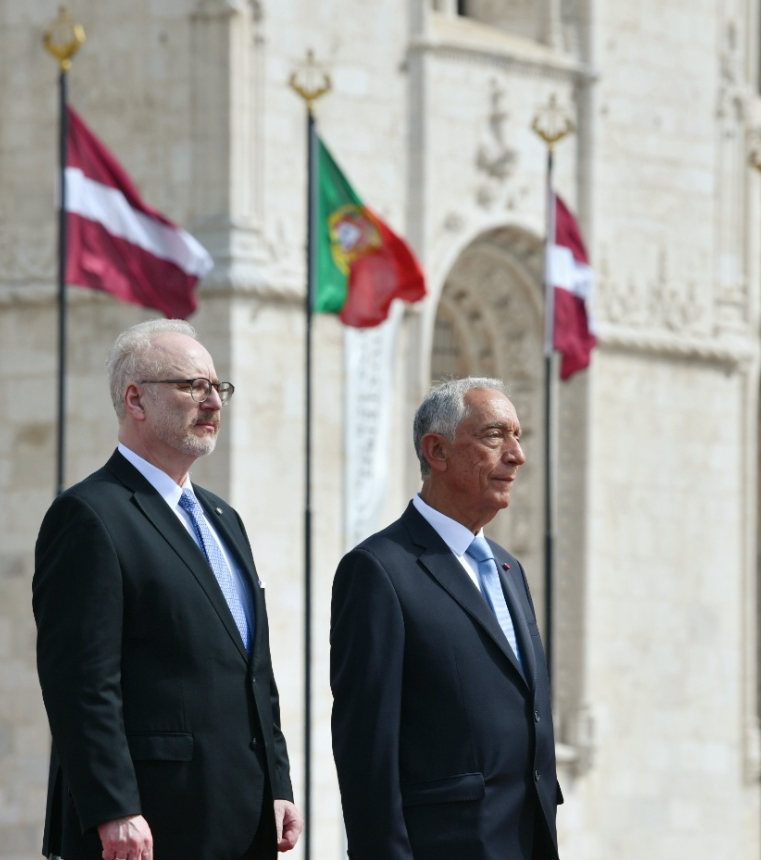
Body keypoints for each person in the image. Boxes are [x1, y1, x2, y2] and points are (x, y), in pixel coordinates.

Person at [33, 319, 303, 860]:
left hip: (241, 817)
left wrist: (276, 783)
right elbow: (81, 682)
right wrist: (113, 807)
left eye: (218, 387)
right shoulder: (89, 515)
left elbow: (254, 667)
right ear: (135, 400)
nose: (213, 402)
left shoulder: (224, 519)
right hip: (150, 824)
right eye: (192, 386)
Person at [330, 378, 562, 860]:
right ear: (436, 451)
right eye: (495, 436)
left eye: (518, 437)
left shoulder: (507, 568)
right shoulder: (379, 570)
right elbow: (367, 754)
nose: (517, 455)